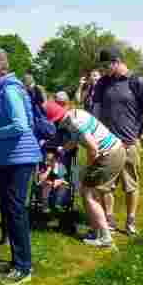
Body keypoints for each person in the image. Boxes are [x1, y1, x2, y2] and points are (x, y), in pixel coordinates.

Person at [0, 49, 42, 285]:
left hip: (19, 159)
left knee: (15, 212)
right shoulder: (4, 89)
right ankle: (18, 261)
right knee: (10, 209)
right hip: (10, 158)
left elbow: (20, 125)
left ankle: (23, 268)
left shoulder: (9, 90)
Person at [91, 46, 143, 237]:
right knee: (105, 186)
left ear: (116, 62)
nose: (103, 70)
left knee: (131, 185)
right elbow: (96, 109)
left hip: (130, 143)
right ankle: (109, 220)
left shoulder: (137, 82)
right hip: (107, 145)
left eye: (105, 66)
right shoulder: (102, 83)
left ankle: (130, 221)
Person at [45, 100, 126, 249]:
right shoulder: (75, 114)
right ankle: (97, 231)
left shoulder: (74, 123)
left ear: (56, 120)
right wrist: (61, 151)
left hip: (109, 155)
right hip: (116, 151)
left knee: (88, 195)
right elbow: (75, 139)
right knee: (90, 192)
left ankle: (105, 238)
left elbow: (93, 148)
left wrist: (87, 168)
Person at [36, 146, 71, 212]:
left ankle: (58, 203)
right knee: (46, 187)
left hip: (58, 184)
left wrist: (60, 181)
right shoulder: (44, 167)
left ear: (57, 160)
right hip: (46, 183)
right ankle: (45, 206)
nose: (48, 162)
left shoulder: (61, 167)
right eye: (47, 160)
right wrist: (48, 170)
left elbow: (63, 178)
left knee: (63, 187)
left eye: (51, 160)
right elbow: (41, 178)